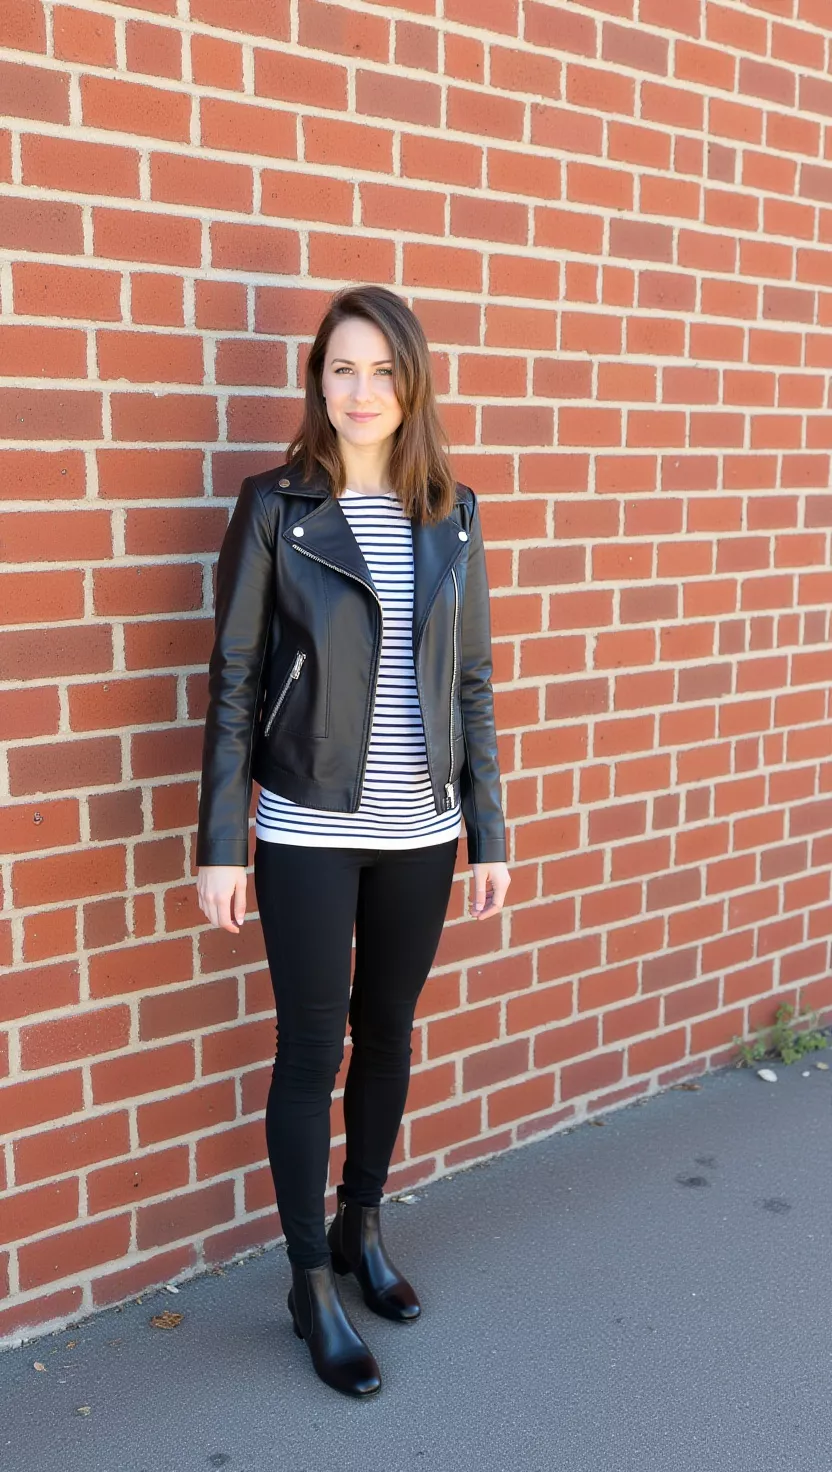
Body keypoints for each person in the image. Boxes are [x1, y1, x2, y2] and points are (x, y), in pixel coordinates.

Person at [195, 284, 510, 1397]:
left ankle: (363, 1227)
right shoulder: (275, 504)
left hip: (422, 829)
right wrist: (222, 842)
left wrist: (490, 832)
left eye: (380, 370)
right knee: (309, 1049)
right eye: (340, 368)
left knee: (388, 1032)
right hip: (308, 827)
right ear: (316, 381)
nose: (359, 391)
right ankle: (309, 1281)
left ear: (410, 382)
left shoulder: (453, 509)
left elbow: (470, 680)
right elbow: (232, 677)